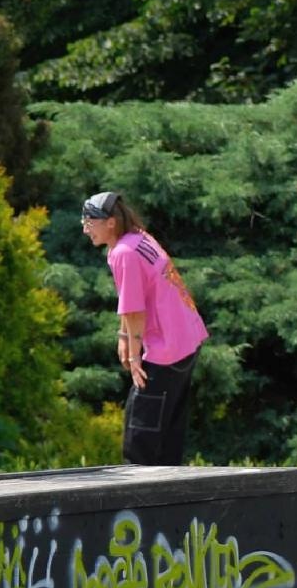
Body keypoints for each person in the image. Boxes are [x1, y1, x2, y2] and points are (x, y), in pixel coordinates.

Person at [81, 190, 209, 466]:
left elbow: (136, 311)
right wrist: (124, 335)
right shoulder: (139, 238)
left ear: (110, 222)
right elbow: (135, 297)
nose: (85, 227)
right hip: (187, 339)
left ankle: (140, 506)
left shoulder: (123, 253)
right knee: (169, 436)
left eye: (90, 221)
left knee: (140, 439)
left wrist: (134, 355)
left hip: (166, 351)